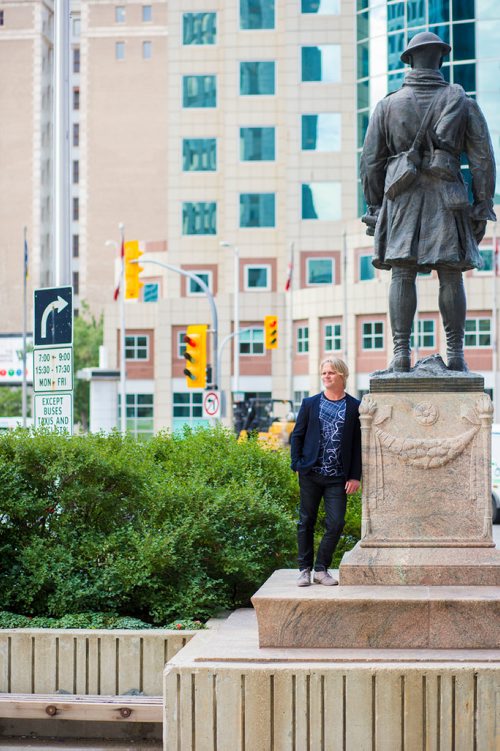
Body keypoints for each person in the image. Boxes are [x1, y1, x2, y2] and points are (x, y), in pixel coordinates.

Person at [360, 32, 496, 373]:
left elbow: (370, 162)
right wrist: (482, 203)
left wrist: (375, 207)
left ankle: (401, 353)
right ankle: (456, 354)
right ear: (440, 60)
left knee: (402, 273)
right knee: (451, 275)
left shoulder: (388, 105)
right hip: (448, 196)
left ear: (409, 61)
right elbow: (483, 159)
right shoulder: (462, 102)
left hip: (401, 198)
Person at [290, 358, 361, 587]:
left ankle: (321, 569)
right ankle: (304, 569)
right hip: (311, 473)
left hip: (337, 478)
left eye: (331, 373)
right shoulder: (311, 404)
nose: (326, 376)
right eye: (324, 373)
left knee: (336, 523)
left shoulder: (354, 407)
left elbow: (357, 444)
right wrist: (297, 465)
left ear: (342, 376)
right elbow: (297, 435)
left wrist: (354, 475)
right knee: (306, 521)